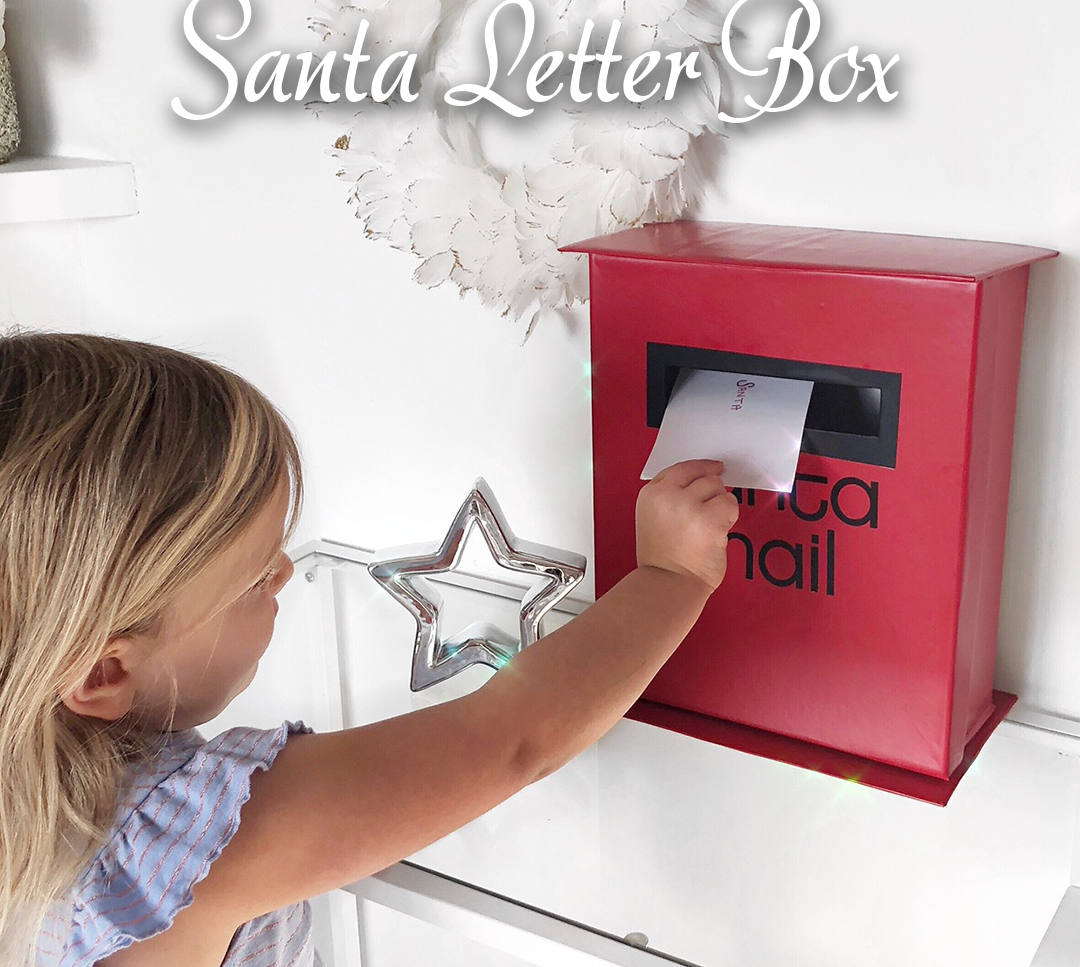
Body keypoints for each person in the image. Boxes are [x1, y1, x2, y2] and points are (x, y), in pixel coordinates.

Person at [0, 329, 738, 967]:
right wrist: (673, 575)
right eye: (258, 578)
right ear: (104, 670)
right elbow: (516, 738)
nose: (286, 574)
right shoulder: (186, 846)